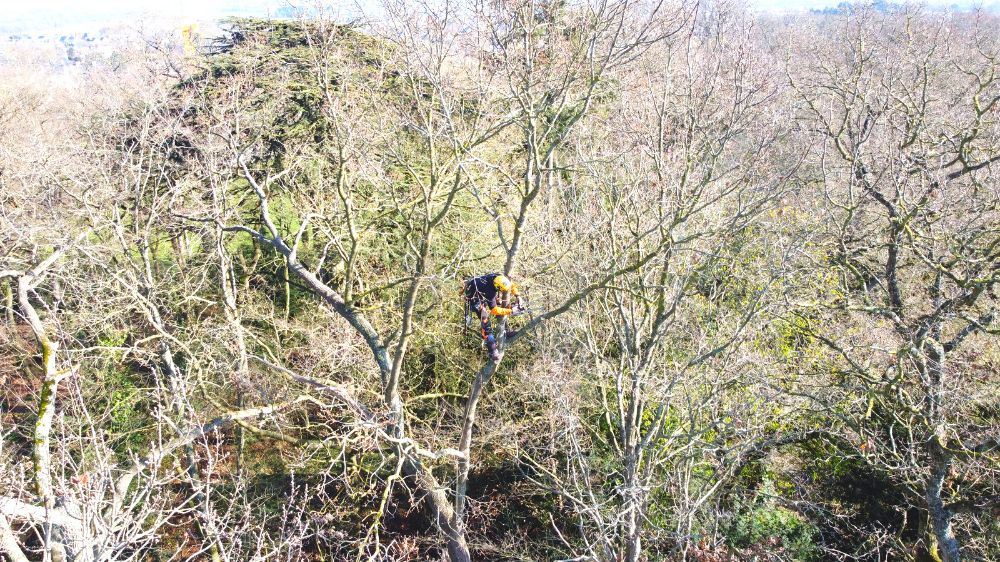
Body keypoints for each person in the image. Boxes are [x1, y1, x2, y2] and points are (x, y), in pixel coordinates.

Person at [462, 273, 522, 361]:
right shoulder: (489, 290)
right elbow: (494, 310)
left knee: (501, 306)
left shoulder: (499, 277)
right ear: (497, 287)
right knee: (486, 324)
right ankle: (492, 352)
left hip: (480, 290)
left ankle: (506, 331)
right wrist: (511, 311)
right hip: (475, 299)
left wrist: (517, 295)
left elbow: (510, 284)